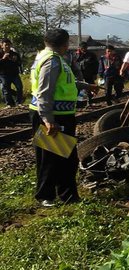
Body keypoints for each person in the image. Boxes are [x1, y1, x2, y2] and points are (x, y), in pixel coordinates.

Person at [29, 28, 99, 207]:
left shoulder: (49, 57)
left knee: (65, 157)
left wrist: (85, 86)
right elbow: (45, 91)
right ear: (65, 43)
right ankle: (47, 196)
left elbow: (65, 81)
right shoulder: (51, 61)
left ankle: (67, 195)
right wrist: (48, 120)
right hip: (54, 115)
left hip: (59, 114)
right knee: (52, 157)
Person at [0, 38, 24, 106]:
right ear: (2, 45)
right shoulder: (0, 54)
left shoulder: (14, 54)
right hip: (4, 75)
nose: (7, 46)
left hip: (14, 74)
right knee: (6, 90)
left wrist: (16, 60)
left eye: (9, 45)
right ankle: (9, 104)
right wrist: (3, 59)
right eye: (6, 45)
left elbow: (19, 64)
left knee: (19, 87)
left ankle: (19, 102)